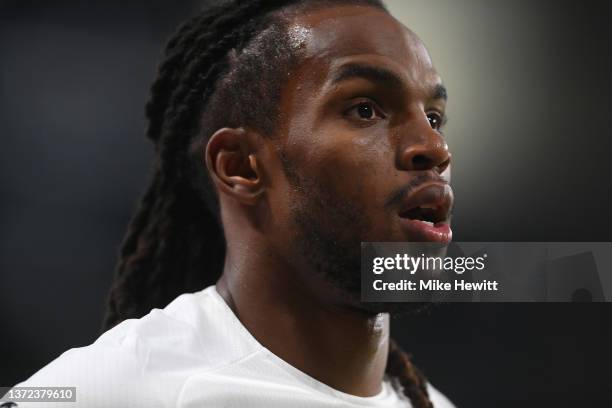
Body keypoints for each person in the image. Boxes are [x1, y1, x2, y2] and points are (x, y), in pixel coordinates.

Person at [12, 0, 455, 407]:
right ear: (241, 166)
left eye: (433, 117)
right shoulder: (111, 391)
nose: (434, 147)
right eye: (365, 109)